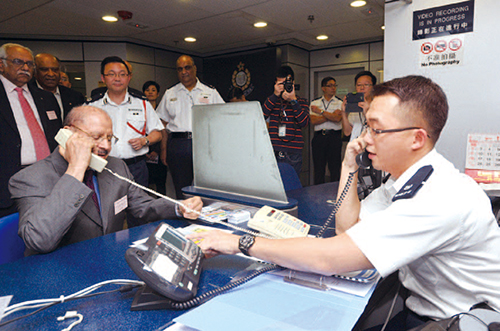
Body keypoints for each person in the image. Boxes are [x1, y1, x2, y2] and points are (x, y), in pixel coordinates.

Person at [187, 76, 500, 330]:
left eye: (376, 129)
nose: (364, 139)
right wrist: (349, 165)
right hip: (422, 305)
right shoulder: (404, 179)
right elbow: (346, 228)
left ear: (417, 139)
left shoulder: (440, 196)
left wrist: (238, 242)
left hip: (463, 320)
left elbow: (331, 257)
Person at [9, 105, 202, 256]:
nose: (106, 146)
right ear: (68, 134)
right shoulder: (29, 178)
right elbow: (40, 240)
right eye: (96, 137)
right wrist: (76, 169)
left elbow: (143, 207)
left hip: (107, 261)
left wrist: (179, 207)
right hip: (59, 277)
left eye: (110, 138)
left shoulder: (116, 167)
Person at [87, 56, 164, 227]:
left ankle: (136, 248)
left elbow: (158, 133)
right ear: (103, 78)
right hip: (104, 168)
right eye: (112, 74)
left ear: (129, 77)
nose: (117, 78)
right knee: (108, 214)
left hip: (136, 167)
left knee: (139, 213)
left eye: (122, 74)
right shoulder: (93, 106)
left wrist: (145, 140)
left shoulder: (142, 103)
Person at [0, 43, 62, 218]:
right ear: (1, 64)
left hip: (46, 177)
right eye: (19, 62)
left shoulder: (46, 98)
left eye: (30, 64)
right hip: (7, 181)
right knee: (9, 236)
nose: (25, 68)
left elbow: (55, 137)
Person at [157, 55, 225, 199]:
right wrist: (164, 149)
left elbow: (222, 118)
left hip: (204, 144)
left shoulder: (210, 92)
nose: (184, 72)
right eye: (180, 69)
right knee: (181, 188)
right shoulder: (170, 93)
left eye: (187, 67)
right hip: (178, 145)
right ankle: (184, 218)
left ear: (195, 69)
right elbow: (162, 123)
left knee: (207, 187)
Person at [262, 65, 309, 176]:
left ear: (293, 82)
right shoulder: (273, 101)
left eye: (287, 83)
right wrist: (275, 95)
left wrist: (293, 101)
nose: (284, 87)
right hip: (274, 151)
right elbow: (262, 115)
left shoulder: (302, 101)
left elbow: (304, 122)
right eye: (280, 83)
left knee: (293, 188)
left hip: (294, 153)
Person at [33, 53, 86, 121]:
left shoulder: (75, 96)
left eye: (55, 70)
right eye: (44, 70)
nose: (51, 74)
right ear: (35, 71)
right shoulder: (28, 94)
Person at [310, 76, 343, 184]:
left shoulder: (340, 103)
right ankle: (318, 195)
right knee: (319, 169)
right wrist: (331, 115)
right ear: (323, 88)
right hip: (319, 137)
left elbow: (338, 119)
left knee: (335, 168)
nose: (333, 88)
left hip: (335, 137)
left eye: (334, 85)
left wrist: (320, 112)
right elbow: (313, 121)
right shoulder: (315, 103)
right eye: (330, 86)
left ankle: (335, 194)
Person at [143, 80, 168, 196]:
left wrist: (157, 151)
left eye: (153, 90)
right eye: (147, 90)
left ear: (158, 94)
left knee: (160, 181)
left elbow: (164, 132)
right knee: (145, 181)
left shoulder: (162, 111)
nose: (150, 93)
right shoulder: (141, 110)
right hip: (144, 151)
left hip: (159, 151)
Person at [341, 70, 377, 142]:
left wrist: (367, 112)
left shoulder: (378, 105)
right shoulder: (354, 107)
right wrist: (343, 113)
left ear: (373, 87)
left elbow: (377, 129)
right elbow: (347, 133)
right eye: (359, 85)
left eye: (366, 84)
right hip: (355, 147)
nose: (362, 88)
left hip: (372, 146)